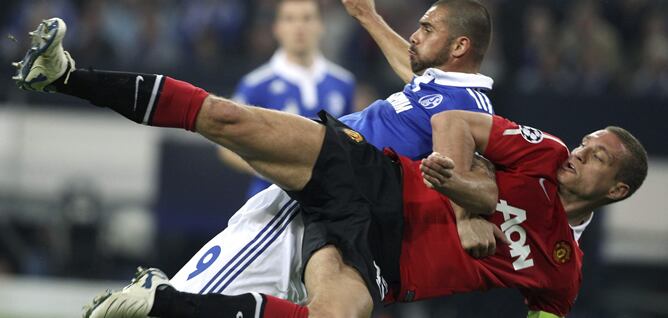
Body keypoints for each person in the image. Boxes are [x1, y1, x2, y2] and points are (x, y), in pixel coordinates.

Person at [14, 11, 648, 318]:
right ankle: (68, 74)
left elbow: (448, 96)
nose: (579, 151)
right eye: (586, 141)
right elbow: (451, 112)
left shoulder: (561, 264)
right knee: (231, 118)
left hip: (377, 244)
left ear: (617, 190)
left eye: (597, 156)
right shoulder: (534, 147)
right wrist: (466, 203)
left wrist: (472, 200)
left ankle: (162, 303)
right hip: (360, 173)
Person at [219, 0, 356, 199]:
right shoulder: (257, 84)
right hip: (270, 201)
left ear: (320, 25)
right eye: (290, 19)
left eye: (307, 18)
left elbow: (349, 141)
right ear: (277, 28)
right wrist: (271, 169)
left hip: (327, 202)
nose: (299, 27)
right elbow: (226, 147)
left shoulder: (343, 83)